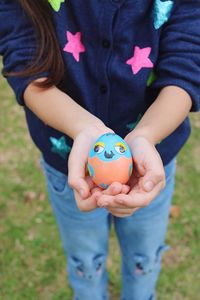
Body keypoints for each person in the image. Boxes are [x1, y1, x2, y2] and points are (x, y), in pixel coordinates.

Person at [0, 0, 200, 299]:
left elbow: (187, 62)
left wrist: (145, 135)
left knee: (143, 257)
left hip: (151, 163)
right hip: (68, 164)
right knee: (85, 259)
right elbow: (25, 62)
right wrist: (83, 129)